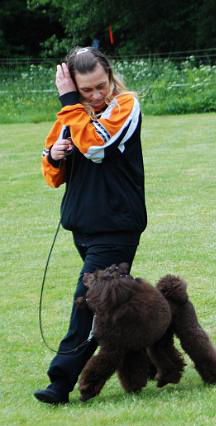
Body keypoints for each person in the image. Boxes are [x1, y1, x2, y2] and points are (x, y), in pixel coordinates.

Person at [34, 47, 146, 404]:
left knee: (87, 302)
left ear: (111, 77)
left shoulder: (126, 106)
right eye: (87, 91)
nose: (97, 95)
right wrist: (55, 156)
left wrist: (71, 102)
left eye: (102, 85)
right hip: (83, 227)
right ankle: (148, 363)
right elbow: (51, 173)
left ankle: (61, 381)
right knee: (116, 304)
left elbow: (98, 144)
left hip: (117, 225)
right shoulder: (70, 115)